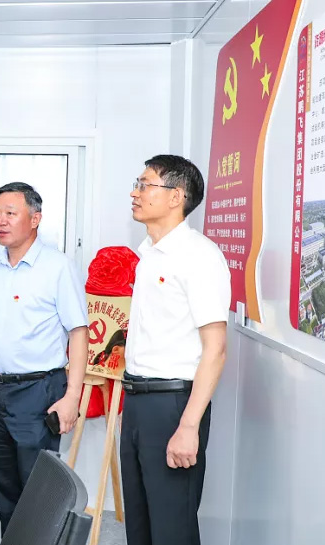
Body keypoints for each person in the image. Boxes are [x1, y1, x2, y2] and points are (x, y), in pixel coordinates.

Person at [121, 155, 231, 545]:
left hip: (173, 405)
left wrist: (187, 427)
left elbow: (215, 349)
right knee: (139, 524)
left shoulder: (200, 256)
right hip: (137, 401)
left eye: (145, 184)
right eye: (137, 184)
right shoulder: (148, 255)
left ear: (175, 196)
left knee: (172, 528)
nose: (135, 193)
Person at [0, 182, 89, 532]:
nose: (0, 221)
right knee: (1, 481)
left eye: (10, 213)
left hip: (38, 392)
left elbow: (78, 332)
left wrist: (73, 397)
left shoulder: (58, 266)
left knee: (38, 486)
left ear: (35, 219)